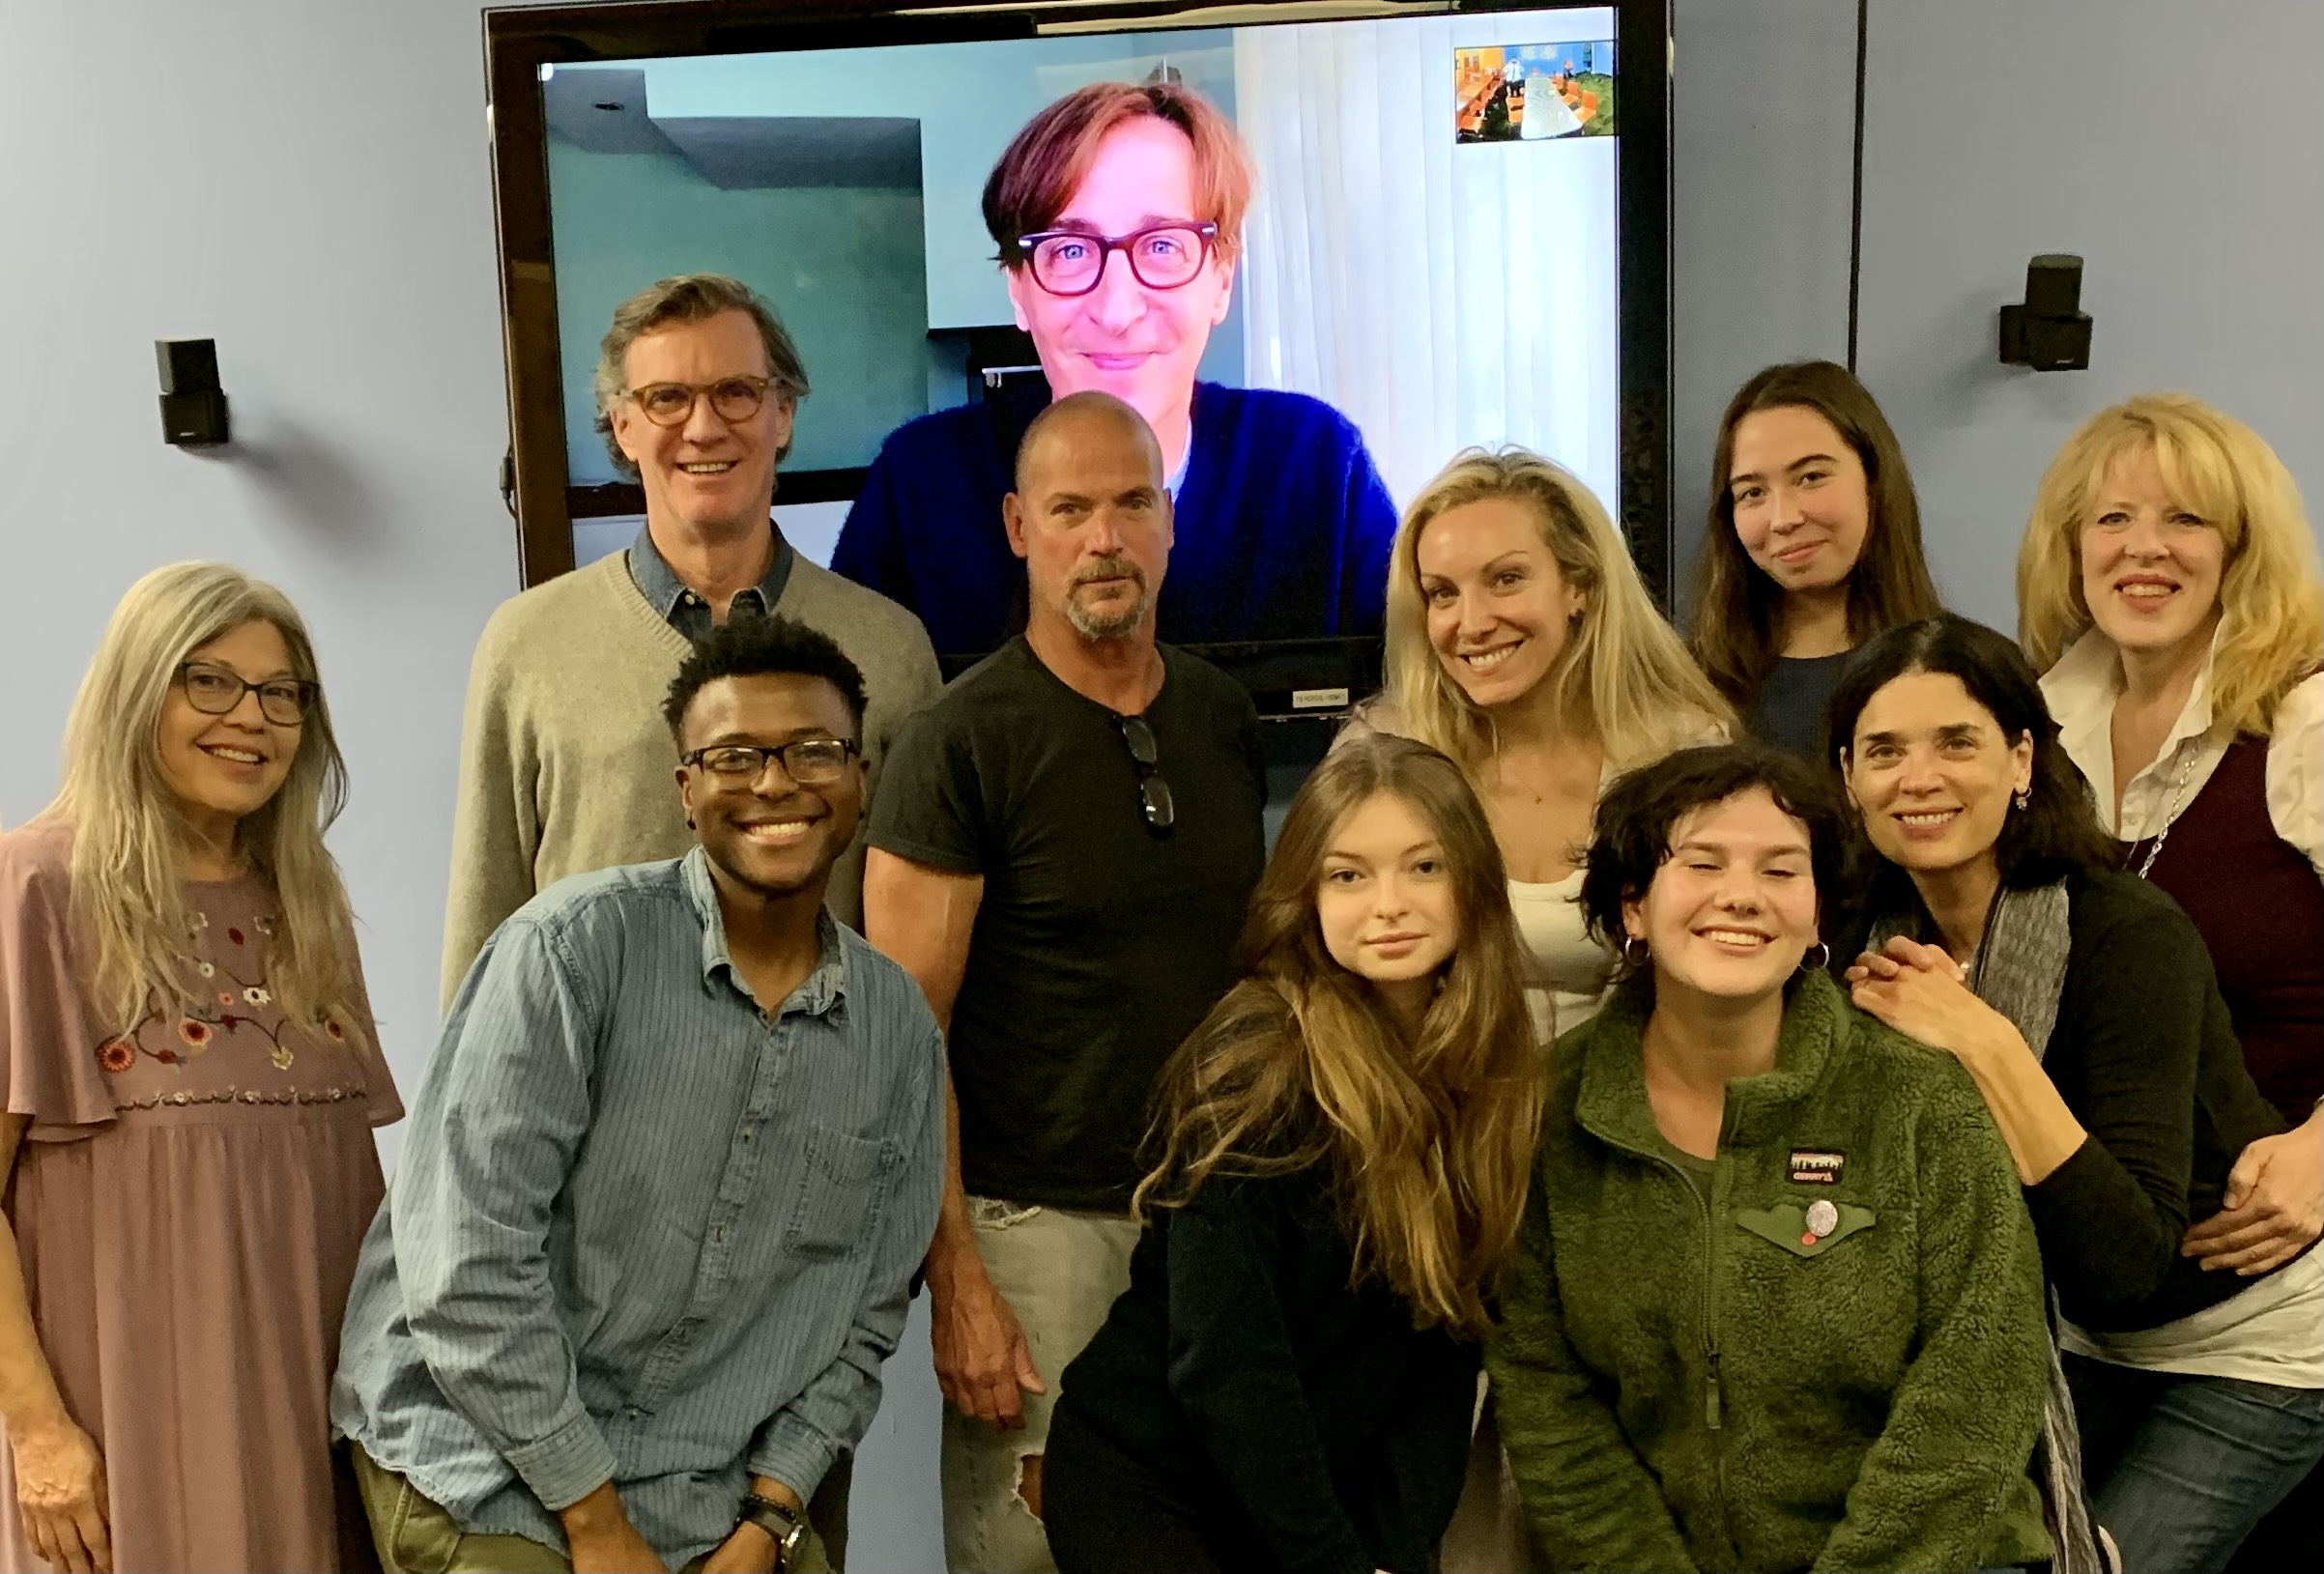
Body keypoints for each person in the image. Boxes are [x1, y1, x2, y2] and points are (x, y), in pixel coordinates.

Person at [333, 615, 944, 1574]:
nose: (775, 783)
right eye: (735, 756)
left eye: (813, 752)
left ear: (859, 779)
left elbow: (864, 1318)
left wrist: (772, 1518)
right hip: (488, 1459)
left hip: (709, 1487)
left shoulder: (897, 1033)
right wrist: (593, 1520)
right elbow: (466, 1269)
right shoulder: (568, 954)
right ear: (687, 789)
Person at [862, 391, 1268, 1572]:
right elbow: (901, 1040)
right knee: (1030, 1556)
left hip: (1210, 1228)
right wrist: (960, 1285)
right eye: (1070, 508)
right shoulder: (958, 742)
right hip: (1032, 1233)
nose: (1104, 537)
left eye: (1132, 503)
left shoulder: (1219, 716)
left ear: (1169, 521)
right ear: (1016, 527)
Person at [1488, 740, 2054, 1572]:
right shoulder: (1549, 1112)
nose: (1741, 897)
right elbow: (1547, 1399)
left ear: (1820, 913)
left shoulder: (1916, 1099)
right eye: (1704, 862)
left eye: (1781, 871)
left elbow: (1978, 1386)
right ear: (1634, 904)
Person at [1833, 614, 2324, 1572]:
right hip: (2069, 1341)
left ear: (2020, 761)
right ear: (1847, 778)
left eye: (1955, 743)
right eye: (1881, 750)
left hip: (2248, 1342)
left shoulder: (2123, 931)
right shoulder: (1864, 935)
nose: (1917, 778)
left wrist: (1983, 1040)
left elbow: (2124, 1263)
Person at [1042, 735, 1542, 1574]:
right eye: (1348, 874)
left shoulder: (1490, 1072)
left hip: (1323, 1502)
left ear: (1473, 886)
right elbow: (1227, 1367)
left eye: (1423, 867)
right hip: (1159, 1489)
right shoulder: (1256, 1068)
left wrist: (1393, 1552)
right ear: (1303, 895)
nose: (1388, 904)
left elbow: (1445, 1357)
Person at [0, 562, 402, 1573]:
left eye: (281, 693)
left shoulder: (305, 901)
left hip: (321, 1424)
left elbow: (354, 1205)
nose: (250, 718)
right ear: (139, 691)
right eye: (208, 681)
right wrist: (40, 1436)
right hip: (128, 1439)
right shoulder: (37, 886)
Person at [443, 272, 940, 1001]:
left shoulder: (887, 647)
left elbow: (919, 941)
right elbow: (484, 921)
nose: (703, 427)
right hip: (594, 1102)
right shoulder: (528, 645)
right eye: (666, 398)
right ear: (623, 426)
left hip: (819, 1097)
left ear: (783, 414)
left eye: (735, 392)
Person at [2023, 390, 2324, 1574]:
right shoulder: (2041, 724)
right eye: (2110, 519)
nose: (2141, 548)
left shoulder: (2302, 720)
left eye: (2184, 520)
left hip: (2272, 1312)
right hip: (2094, 1304)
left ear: (2239, 550)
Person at [831, 79, 1398, 652]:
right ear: (1018, 292)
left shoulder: (1316, 468)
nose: (1119, 310)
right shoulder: (919, 488)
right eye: (1071, 251)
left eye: (1161, 246)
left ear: (1221, 279)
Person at [1360, 446, 1731, 1037]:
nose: (1471, 622)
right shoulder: (1381, 754)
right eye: (1442, 593)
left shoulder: (1682, 756)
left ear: (1578, 585)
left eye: (1506, 580)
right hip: (1431, 1103)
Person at [1690, 359, 1944, 756]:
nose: (1783, 519)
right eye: (1753, 493)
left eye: (1811, 477)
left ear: (1875, 481)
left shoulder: (1960, 672)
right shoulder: (1690, 688)